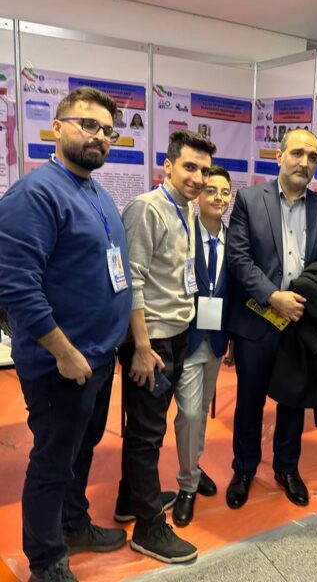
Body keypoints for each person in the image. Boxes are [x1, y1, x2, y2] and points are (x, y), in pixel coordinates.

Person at [0, 87, 132, 582]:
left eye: (108, 131)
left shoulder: (96, 191)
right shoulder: (34, 194)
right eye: (88, 124)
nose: (99, 136)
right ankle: (46, 561)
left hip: (98, 358)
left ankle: (74, 525)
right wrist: (64, 352)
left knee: (82, 450)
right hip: (62, 364)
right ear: (57, 127)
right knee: (52, 462)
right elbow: (16, 287)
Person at [226, 128, 317, 509]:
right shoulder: (249, 200)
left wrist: (302, 301)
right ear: (279, 157)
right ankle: (244, 468)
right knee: (249, 401)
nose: (304, 162)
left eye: (312, 157)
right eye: (297, 153)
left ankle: (287, 468)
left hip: (300, 322)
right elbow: (239, 259)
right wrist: (273, 296)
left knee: (294, 400)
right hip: (257, 321)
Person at [115, 130, 216, 563]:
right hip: (151, 340)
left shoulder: (188, 209)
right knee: (147, 433)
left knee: (146, 427)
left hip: (176, 335)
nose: (198, 178)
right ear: (168, 166)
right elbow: (131, 280)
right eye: (189, 167)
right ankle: (148, 528)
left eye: (204, 170)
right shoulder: (147, 209)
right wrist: (141, 346)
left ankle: (129, 500)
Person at [172, 165, 232, 526]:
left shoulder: (234, 239)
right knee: (190, 414)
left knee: (202, 409)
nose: (218, 198)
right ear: (199, 194)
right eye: (211, 190)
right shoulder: (184, 234)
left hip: (217, 340)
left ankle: (193, 466)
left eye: (225, 192)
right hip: (187, 337)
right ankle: (187, 485)